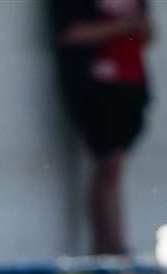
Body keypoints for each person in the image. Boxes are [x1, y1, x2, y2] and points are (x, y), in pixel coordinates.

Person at [51, 0, 154, 256]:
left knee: (113, 166)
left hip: (131, 87)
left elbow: (148, 32)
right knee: (109, 164)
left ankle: (113, 246)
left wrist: (133, 26)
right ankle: (109, 247)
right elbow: (69, 33)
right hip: (95, 90)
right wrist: (121, 26)